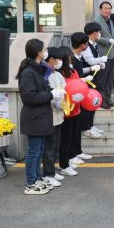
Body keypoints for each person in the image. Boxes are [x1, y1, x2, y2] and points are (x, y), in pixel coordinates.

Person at [17, 39, 63, 195]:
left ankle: (36, 178)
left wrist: (54, 92)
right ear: (38, 52)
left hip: (41, 117)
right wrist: (51, 94)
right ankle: (31, 182)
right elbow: (29, 97)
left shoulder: (37, 70)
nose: (46, 51)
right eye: (44, 49)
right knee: (34, 151)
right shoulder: (28, 72)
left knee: (39, 149)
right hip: (34, 118)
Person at [42, 47, 66, 188]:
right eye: (58, 59)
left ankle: (52, 170)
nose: (60, 62)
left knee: (56, 144)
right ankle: (48, 174)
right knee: (50, 146)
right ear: (51, 60)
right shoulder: (46, 74)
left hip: (59, 113)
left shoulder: (57, 74)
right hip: (50, 114)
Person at [70, 34, 95, 165]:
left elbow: (80, 72)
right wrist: (81, 80)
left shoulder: (78, 58)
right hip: (73, 97)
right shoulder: (70, 58)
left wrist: (90, 69)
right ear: (83, 45)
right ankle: (72, 154)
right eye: (86, 44)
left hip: (80, 95)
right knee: (73, 129)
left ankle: (78, 151)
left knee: (78, 125)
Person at [57, 46, 82, 177]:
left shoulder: (73, 72)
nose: (71, 58)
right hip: (65, 110)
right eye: (69, 56)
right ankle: (64, 165)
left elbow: (78, 86)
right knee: (64, 139)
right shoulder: (58, 74)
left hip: (76, 109)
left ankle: (70, 158)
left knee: (72, 136)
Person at [82, 22, 107, 134]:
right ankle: (87, 127)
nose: (99, 34)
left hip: (93, 77)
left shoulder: (94, 44)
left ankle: (91, 125)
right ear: (92, 33)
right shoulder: (86, 45)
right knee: (88, 101)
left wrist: (100, 64)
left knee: (93, 100)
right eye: (98, 32)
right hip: (87, 78)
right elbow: (90, 61)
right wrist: (102, 59)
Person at [94, 1, 114, 108]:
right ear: (100, 9)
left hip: (112, 54)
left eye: (109, 8)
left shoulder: (110, 21)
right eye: (105, 8)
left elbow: (111, 36)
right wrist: (108, 41)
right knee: (102, 79)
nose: (108, 10)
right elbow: (95, 37)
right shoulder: (96, 21)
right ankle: (102, 100)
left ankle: (108, 98)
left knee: (109, 79)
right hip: (102, 54)